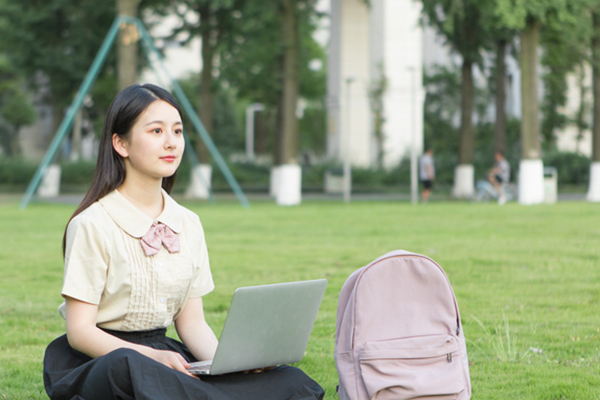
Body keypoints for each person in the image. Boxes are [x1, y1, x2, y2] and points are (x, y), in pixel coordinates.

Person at [42, 84, 325, 400]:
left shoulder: (188, 223)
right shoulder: (92, 224)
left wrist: (230, 366)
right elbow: (80, 332)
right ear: (120, 143)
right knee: (132, 369)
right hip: (104, 361)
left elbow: (192, 323)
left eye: (177, 132)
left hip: (167, 358)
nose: (171, 143)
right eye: (156, 131)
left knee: (290, 380)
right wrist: (150, 357)